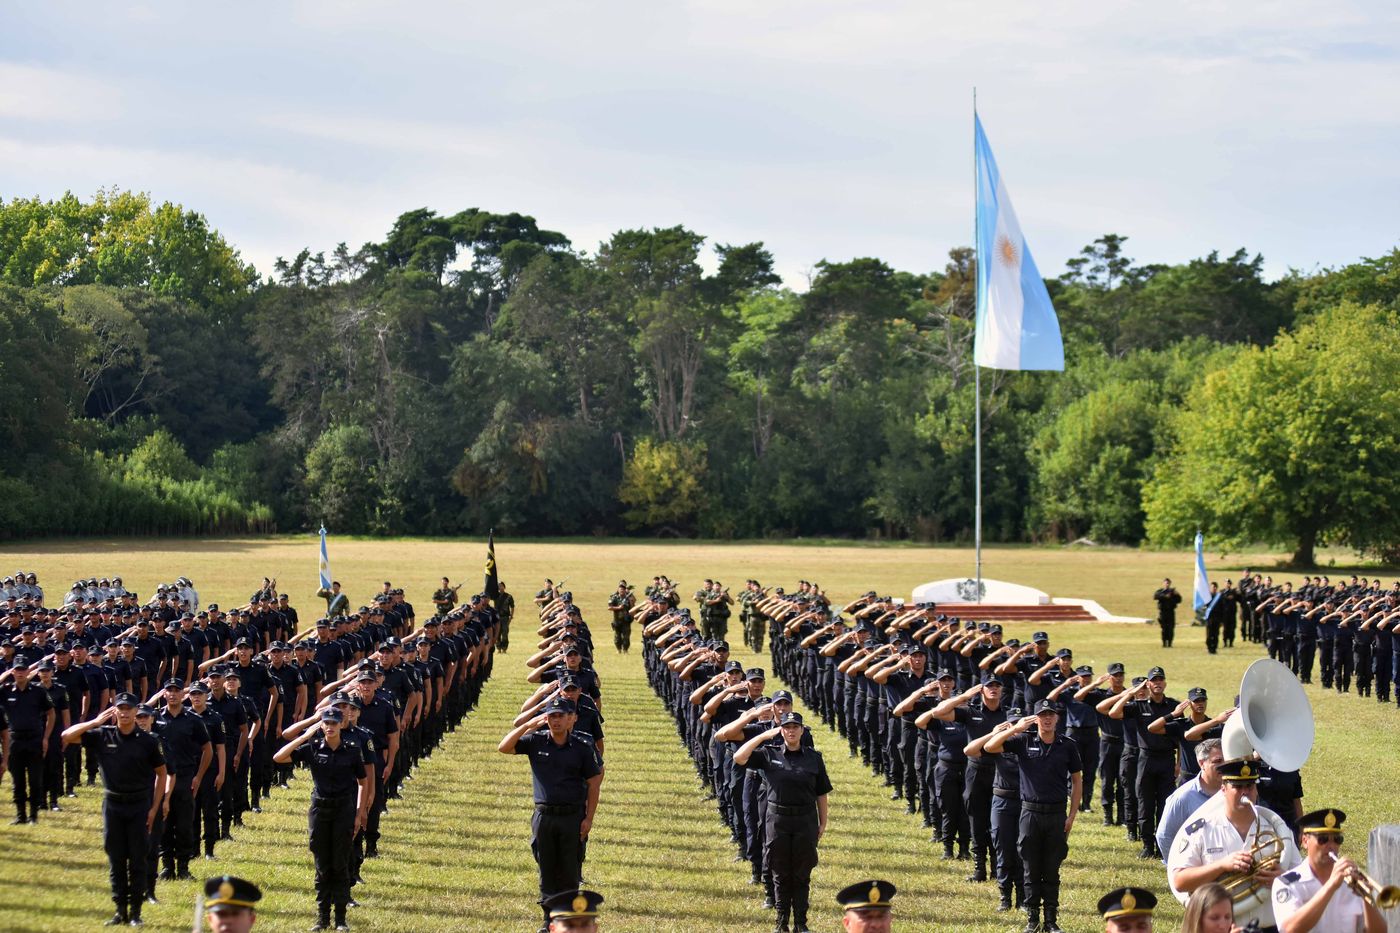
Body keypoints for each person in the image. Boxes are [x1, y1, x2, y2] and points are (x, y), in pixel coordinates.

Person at [60, 692, 167, 927]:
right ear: (115, 710)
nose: (125, 712)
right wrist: (95, 722)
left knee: (138, 859)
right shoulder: (102, 735)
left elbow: (161, 773)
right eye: (121, 708)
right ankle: (120, 911)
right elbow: (67, 735)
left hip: (139, 805)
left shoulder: (148, 741)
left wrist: (154, 807)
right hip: (113, 805)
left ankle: (136, 912)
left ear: (135, 710)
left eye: (129, 708)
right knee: (116, 859)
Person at [498, 696, 604, 933]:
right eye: (552, 716)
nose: (555, 720)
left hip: (571, 817)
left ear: (570, 719)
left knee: (569, 871)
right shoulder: (536, 741)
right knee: (546, 870)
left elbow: (593, 783)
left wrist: (589, 818)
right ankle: (549, 921)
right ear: (546, 718)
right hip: (544, 817)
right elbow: (503, 747)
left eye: (560, 716)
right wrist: (527, 726)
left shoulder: (581, 747)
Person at [1167, 759, 1301, 933]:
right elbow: (1180, 881)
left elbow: (1301, 876)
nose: (1245, 792)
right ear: (1223, 789)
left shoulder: (1276, 829)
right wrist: (1222, 865)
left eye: (1250, 786)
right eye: (1237, 787)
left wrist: (1282, 877)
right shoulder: (1202, 830)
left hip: (1271, 927)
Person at [983, 699, 1083, 933]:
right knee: (1030, 867)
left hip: (1057, 813)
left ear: (1057, 717)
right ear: (1035, 718)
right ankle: (1032, 919)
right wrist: (1016, 729)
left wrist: (1072, 816)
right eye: (1042, 715)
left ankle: (1051, 919)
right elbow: (990, 747)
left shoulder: (1067, 745)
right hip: (1029, 812)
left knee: (1051, 868)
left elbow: (1077, 780)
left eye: (1051, 714)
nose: (1047, 718)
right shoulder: (1023, 740)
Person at [734, 711, 832, 933]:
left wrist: (823, 822)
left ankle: (800, 922)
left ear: (802, 730)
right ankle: (781, 922)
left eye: (795, 727)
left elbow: (822, 792)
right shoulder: (768, 754)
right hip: (777, 820)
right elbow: (739, 758)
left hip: (805, 820)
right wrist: (762, 737)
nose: (791, 731)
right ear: (781, 730)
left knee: (802, 873)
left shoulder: (814, 758)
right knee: (779, 872)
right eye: (787, 727)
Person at [274, 707, 370, 931]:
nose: (330, 727)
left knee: (340, 864)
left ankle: (340, 919)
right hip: (320, 810)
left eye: (334, 723)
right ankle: (322, 918)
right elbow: (279, 757)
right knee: (322, 865)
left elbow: (363, 781)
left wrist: (359, 813)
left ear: (341, 725)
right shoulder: (313, 748)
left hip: (343, 810)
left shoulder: (352, 750)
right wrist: (306, 736)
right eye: (326, 723)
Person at [1272, 807, 1387, 933]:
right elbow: (1290, 929)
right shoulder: (1287, 884)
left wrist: (1367, 900)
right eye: (1323, 839)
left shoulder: (1351, 883)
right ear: (1305, 841)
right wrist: (1331, 886)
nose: (1331, 846)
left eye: (1337, 839)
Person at [2, 662, 55, 823]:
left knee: (35, 780)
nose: (20, 673)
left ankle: (33, 816)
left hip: (34, 740)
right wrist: (6, 675)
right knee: (18, 781)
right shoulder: (5, 690)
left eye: (23, 670)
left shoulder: (38, 691)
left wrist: (46, 738)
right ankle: (20, 816)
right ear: (13, 671)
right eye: (17, 670)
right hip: (14, 741)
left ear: (28, 672)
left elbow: (51, 714)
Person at [1156, 739, 1224, 861]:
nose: (1224, 766)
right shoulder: (1183, 797)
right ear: (1202, 763)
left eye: (1226, 761)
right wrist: (1178, 868)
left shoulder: (1235, 792)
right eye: (1218, 761)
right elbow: (1165, 836)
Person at [1155, 580, 1183, 648]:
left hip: (1171, 612)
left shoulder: (1173, 592)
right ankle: (1164, 643)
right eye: (1165, 583)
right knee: (1164, 628)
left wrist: (1177, 594)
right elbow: (1156, 596)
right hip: (1163, 612)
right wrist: (1165, 596)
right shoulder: (1160, 591)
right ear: (1163, 584)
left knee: (1171, 628)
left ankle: (1170, 643)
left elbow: (1179, 600)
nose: (1167, 584)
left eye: (1168, 583)